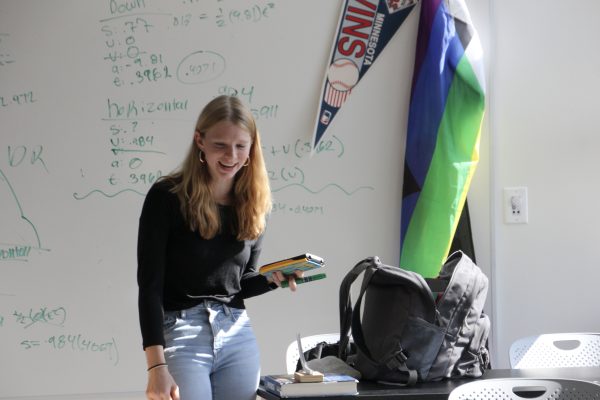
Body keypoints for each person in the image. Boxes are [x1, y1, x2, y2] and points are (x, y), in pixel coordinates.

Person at [137, 95, 301, 400]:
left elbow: (237, 285)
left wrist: (273, 278)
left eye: (241, 145)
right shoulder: (166, 197)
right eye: (220, 145)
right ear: (199, 140)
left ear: (252, 146)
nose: (231, 155)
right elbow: (149, 287)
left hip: (236, 334)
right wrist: (155, 366)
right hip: (181, 332)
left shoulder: (254, 204)